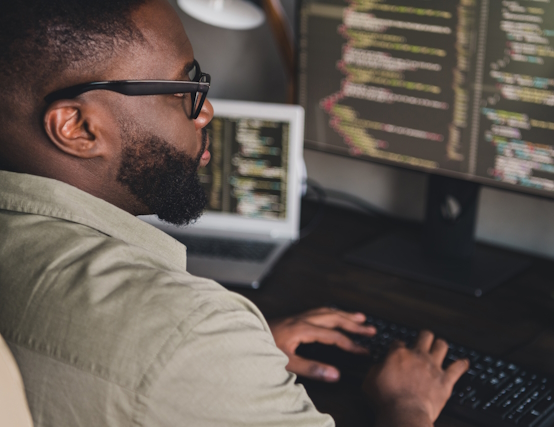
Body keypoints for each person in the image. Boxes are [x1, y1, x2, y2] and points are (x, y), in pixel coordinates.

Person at [0, 1, 469, 426]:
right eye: (184, 89)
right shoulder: (190, 333)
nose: (205, 114)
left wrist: (231, 363)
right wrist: (409, 405)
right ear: (77, 127)